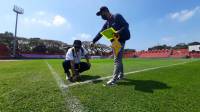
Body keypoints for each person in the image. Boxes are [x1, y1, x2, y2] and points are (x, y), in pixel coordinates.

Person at [92, 6, 130, 86]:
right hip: (114, 42)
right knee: (118, 59)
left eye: (101, 14)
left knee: (116, 60)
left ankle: (114, 80)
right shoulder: (107, 23)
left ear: (106, 11)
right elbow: (100, 32)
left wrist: (118, 32)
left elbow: (126, 25)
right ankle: (121, 75)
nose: (101, 16)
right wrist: (94, 41)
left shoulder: (117, 16)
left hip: (120, 41)